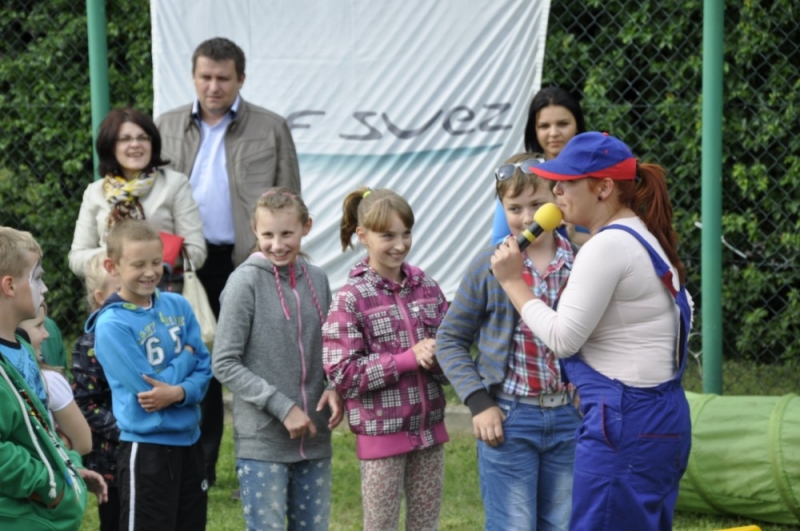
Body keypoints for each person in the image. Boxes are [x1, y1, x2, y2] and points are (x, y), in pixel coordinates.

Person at [490, 132, 693, 530]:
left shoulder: (606, 246)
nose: (556, 192)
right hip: (664, 414)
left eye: (567, 182)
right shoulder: (643, 232)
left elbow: (563, 339)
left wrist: (513, 282)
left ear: (603, 188)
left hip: (625, 420)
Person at [156, 37, 301, 486]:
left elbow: (289, 199)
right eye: (205, 77)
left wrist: (279, 256)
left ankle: (262, 462)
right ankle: (200, 469)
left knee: (255, 361)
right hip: (185, 267)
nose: (213, 86)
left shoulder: (271, 127)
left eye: (223, 78)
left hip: (250, 262)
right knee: (195, 360)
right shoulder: (166, 125)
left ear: (241, 78)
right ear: (193, 77)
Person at [436, 153, 580, 531]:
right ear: (502, 209)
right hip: (510, 418)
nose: (527, 216)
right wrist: (478, 402)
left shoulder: (582, 263)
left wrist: (588, 387)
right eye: (515, 208)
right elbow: (450, 339)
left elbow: (595, 336)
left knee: (563, 523)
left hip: (569, 416)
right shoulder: (489, 266)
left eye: (537, 204)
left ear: (557, 199)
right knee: (513, 524)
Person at [213, 188, 342, 530]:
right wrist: (283, 408)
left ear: (306, 227)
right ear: (255, 231)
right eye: (268, 234)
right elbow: (224, 362)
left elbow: (331, 346)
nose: (278, 244)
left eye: (287, 233)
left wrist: (333, 385)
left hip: (315, 439)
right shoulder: (244, 282)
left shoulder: (318, 279)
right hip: (263, 443)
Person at [323, 187, 449, 531]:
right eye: (388, 236)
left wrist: (439, 358)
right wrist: (407, 359)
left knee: (426, 526)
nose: (400, 244)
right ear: (363, 235)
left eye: (406, 233)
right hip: (381, 436)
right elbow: (343, 374)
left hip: (430, 432)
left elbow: (451, 351)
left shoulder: (427, 287)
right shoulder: (350, 298)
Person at [88, 219, 212, 530]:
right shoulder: (111, 325)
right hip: (147, 449)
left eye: (156, 262)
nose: (150, 272)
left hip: (191, 442)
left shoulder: (179, 306)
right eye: (138, 264)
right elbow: (149, 388)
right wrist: (186, 356)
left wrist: (180, 393)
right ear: (113, 266)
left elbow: (205, 367)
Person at [0, 227, 107, 530]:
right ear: (9, 285)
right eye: (36, 278)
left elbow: (36, 428)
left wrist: (64, 467)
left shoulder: (23, 349)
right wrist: (49, 485)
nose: (44, 288)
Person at [69, 107, 206, 282]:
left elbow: (196, 252)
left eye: (143, 138)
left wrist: (148, 260)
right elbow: (76, 258)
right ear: (110, 146)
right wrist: (119, 257)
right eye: (125, 139)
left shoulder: (174, 184)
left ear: (152, 144)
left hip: (162, 290)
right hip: (111, 292)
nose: (135, 144)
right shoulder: (94, 192)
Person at [492, 86, 588, 246]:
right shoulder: (518, 175)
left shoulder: (596, 176)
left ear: (577, 125)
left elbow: (615, 240)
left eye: (562, 124)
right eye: (544, 126)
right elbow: (498, 242)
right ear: (534, 130)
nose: (553, 133)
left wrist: (575, 237)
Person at [72, 252, 123, 531]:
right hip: (111, 459)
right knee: (115, 520)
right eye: (120, 289)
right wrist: (126, 428)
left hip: (144, 453)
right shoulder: (89, 344)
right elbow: (85, 404)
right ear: (100, 297)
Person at [17, 304, 92, 456]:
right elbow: (83, 444)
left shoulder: (50, 380)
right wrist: (58, 447)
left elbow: (83, 444)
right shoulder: (48, 380)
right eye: (38, 326)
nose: (46, 334)